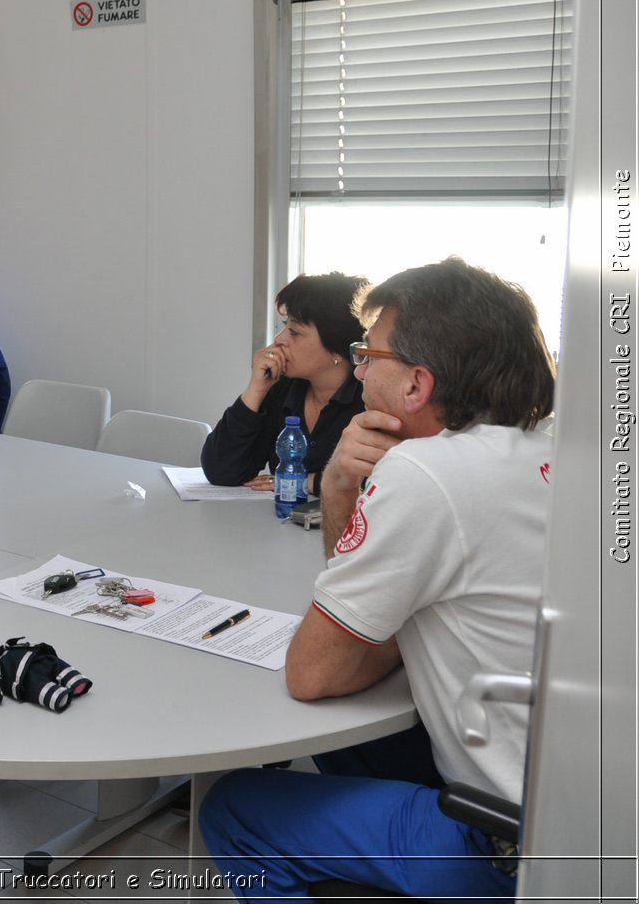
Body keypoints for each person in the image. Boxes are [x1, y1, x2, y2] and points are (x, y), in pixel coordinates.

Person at [199, 258, 556, 901]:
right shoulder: (560, 446)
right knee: (347, 744)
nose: (359, 369)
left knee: (235, 810)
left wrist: (373, 636)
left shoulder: (427, 473)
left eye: (369, 354)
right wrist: (339, 481)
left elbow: (315, 674)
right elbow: (370, 610)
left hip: (513, 844)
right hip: (597, 806)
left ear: (417, 383)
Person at [201, 271, 369, 495]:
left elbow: (380, 482)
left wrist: (307, 482)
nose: (279, 339)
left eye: (295, 332)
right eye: (284, 326)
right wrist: (256, 390)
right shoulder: (284, 386)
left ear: (336, 348)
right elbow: (221, 471)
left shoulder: (371, 397)